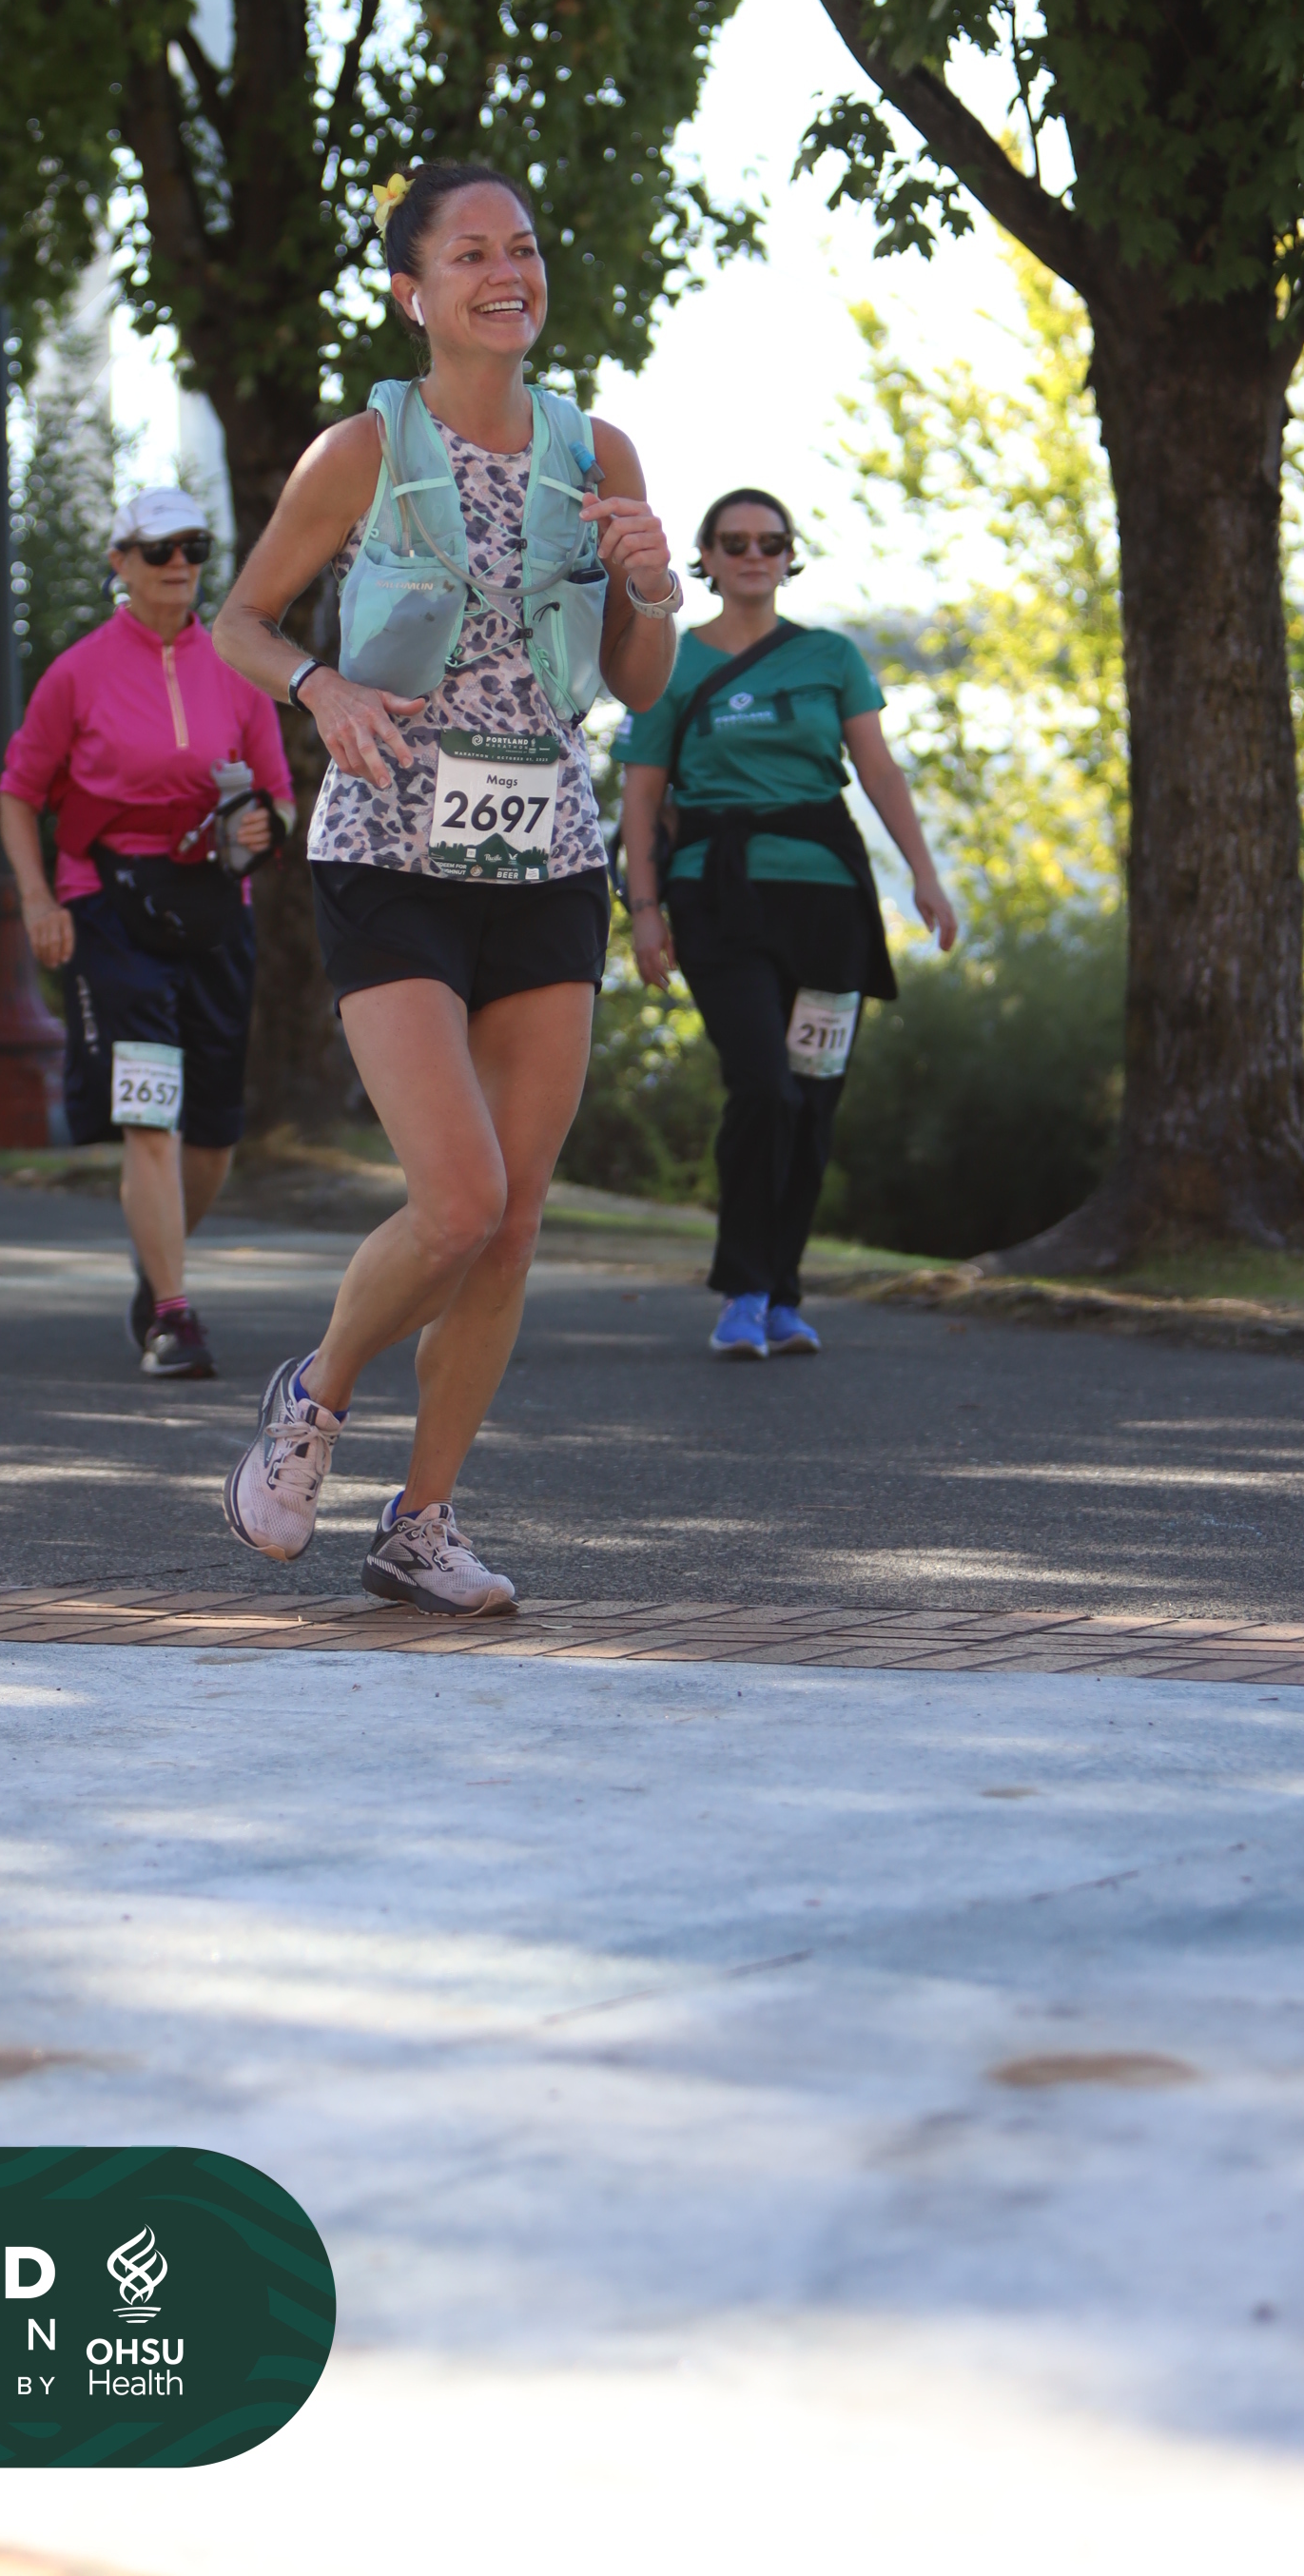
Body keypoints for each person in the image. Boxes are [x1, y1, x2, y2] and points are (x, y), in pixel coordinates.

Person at [212, 161, 680, 1614]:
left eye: (522, 248)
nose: (506, 273)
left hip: (544, 856)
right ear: (412, 293)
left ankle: (421, 1525)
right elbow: (240, 622)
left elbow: (637, 681)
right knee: (459, 1196)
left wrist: (652, 586)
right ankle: (315, 1395)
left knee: (517, 1214)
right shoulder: (364, 449)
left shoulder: (598, 448)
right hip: (390, 851)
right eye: (470, 253)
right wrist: (320, 687)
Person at [617, 486, 956, 1359]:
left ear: (789, 555)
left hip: (829, 904)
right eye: (733, 542)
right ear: (706, 557)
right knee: (764, 1086)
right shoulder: (671, 663)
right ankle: (742, 1290)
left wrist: (925, 876)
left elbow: (879, 772)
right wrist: (645, 914)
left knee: (812, 1099)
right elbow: (642, 796)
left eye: (769, 541)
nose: (753, 555)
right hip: (715, 900)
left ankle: (782, 1296)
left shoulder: (830, 656)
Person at [0, 484, 293, 1380]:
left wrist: (265, 825)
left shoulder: (239, 664)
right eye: (159, 550)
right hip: (110, 907)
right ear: (120, 563)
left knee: (214, 1135)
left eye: (193, 548)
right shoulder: (77, 672)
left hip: (214, 909)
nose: (179, 565)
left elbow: (280, 797)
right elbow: (18, 793)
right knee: (150, 1111)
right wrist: (39, 902)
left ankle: (157, 1264)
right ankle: (172, 1314)